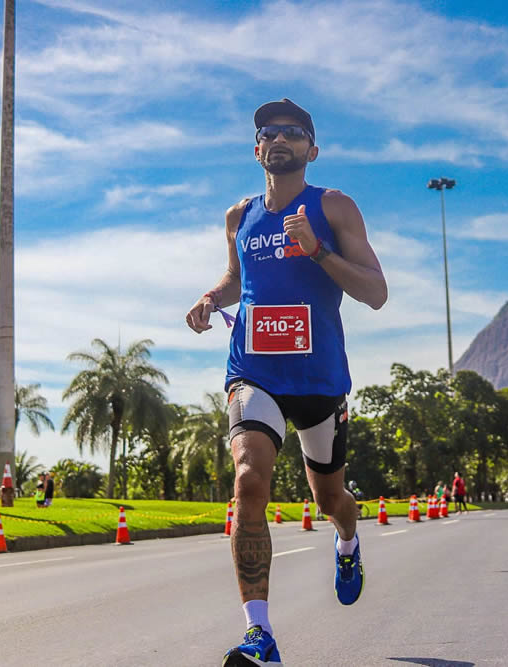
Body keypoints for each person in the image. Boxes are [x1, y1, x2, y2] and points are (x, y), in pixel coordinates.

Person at [185, 98, 387, 667]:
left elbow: (376, 291)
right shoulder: (239, 216)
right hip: (254, 369)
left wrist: (317, 250)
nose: (279, 139)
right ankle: (260, 634)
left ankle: (348, 541)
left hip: (319, 377)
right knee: (249, 479)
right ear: (257, 149)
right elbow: (235, 278)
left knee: (330, 498)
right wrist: (209, 299)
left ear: (312, 150)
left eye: (293, 133)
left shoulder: (334, 207)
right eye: (268, 133)